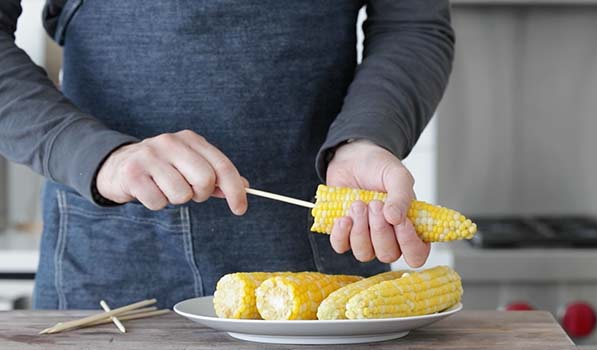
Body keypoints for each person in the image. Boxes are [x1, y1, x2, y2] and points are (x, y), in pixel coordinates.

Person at [0, 1, 454, 309]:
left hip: (321, 246)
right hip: (108, 254)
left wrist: (366, 136)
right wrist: (98, 156)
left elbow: (411, 24)